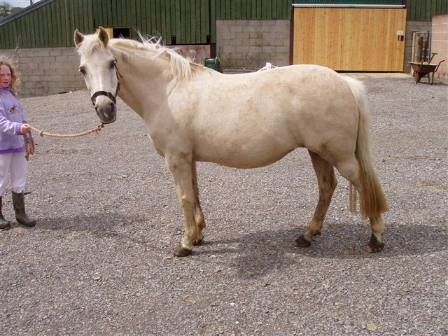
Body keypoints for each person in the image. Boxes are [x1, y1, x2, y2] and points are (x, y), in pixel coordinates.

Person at [0, 56, 36, 230]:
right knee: (0, 180)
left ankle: (20, 213)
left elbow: (22, 118)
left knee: (19, 178)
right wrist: (18, 128)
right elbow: (1, 122)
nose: (5, 78)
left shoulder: (13, 97)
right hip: (2, 148)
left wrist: (27, 138)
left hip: (18, 145)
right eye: (1, 75)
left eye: (8, 74)